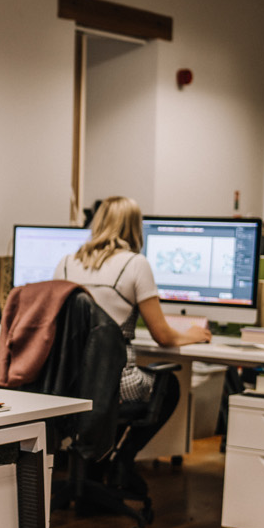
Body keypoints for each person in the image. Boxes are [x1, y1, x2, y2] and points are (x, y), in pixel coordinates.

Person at [53, 195, 209, 483]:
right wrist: (191, 335)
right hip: (115, 384)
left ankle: (96, 467)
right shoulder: (135, 264)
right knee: (169, 386)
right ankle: (122, 461)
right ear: (135, 227)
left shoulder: (65, 263)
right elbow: (162, 335)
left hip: (69, 383)